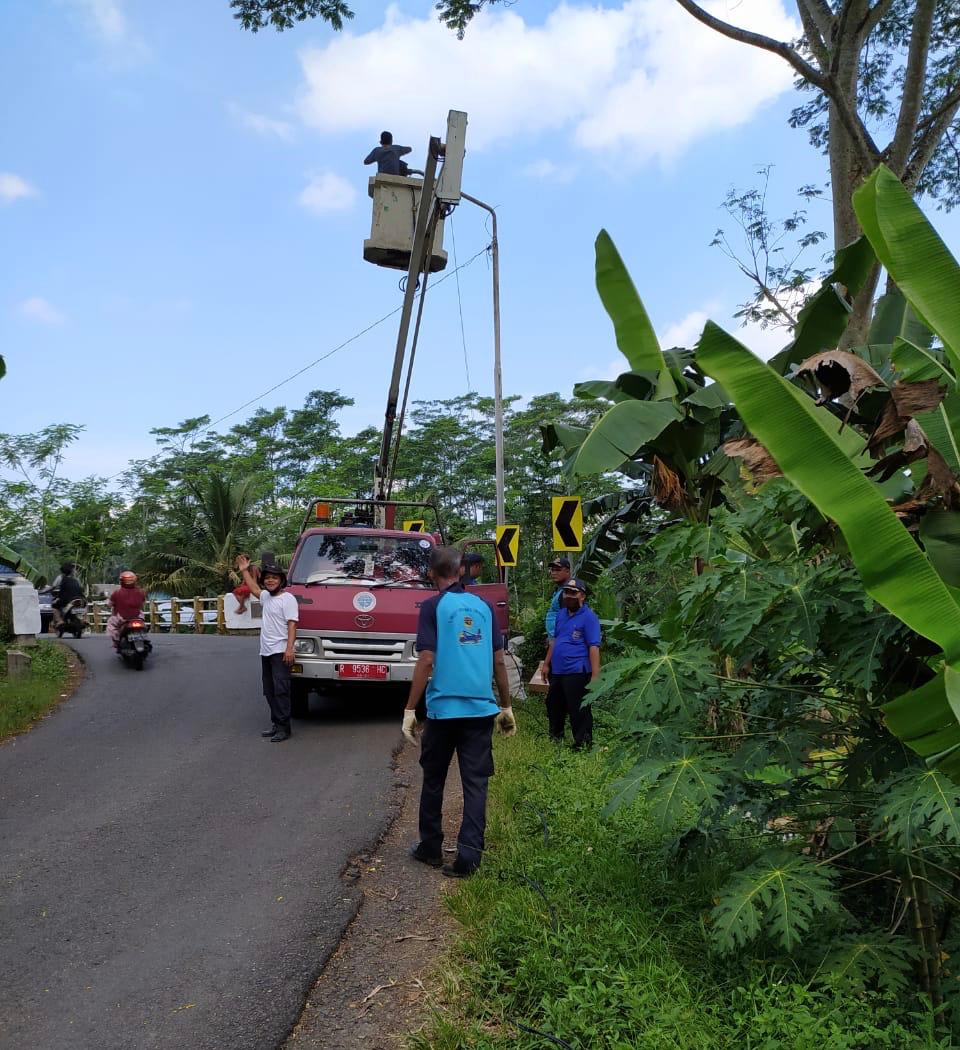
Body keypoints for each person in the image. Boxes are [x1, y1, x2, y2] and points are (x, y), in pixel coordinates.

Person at [403, 546, 516, 878]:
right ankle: (469, 859)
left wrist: (410, 709)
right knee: (476, 784)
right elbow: (498, 661)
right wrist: (505, 706)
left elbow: (425, 660)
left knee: (434, 780)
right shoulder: (483, 607)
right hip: (481, 711)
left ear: (431, 573)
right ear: (462, 571)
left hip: (442, 713)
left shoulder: (432, 607)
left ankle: (431, 849)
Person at [237, 554, 298, 743]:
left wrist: (289, 648)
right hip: (266, 651)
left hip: (281, 651)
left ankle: (284, 727)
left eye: (275, 577)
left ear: (281, 580)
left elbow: (292, 624)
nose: (270, 580)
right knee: (269, 690)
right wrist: (245, 571)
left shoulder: (287, 599)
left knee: (281, 689)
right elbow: (254, 588)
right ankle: (276, 723)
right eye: (267, 578)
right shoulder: (266, 597)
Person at [540, 578, 601, 750]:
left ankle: (583, 742)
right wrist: (546, 664)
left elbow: (594, 646)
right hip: (558, 670)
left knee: (578, 708)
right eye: (566, 592)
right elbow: (555, 640)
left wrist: (595, 676)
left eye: (573, 593)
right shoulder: (561, 615)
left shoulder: (589, 617)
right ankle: (556, 737)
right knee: (553, 704)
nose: (569, 596)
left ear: (582, 596)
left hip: (577, 670)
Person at [107, 570, 146, 648]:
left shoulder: (117, 593)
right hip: (137, 616)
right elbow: (142, 603)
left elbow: (109, 604)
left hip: (121, 618)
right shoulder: (140, 592)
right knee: (143, 620)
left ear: (121, 581)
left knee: (111, 625)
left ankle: (116, 640)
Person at [544, 556, 572, 639]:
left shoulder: (568, 592)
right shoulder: (559, 590)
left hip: (562, 640)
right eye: (552, 570)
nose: (554, 573)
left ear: (567, 571)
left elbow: (569, 620)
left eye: (558, 570)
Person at [51, 563, 84, 630]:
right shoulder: (76, 579)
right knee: (85, 605)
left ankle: (60, 620)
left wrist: (43, 591)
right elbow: (80, 589)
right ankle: (84, 619)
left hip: (66, 600)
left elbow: (53, 587)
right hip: (78, 599)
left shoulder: (61, 577)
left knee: (54, 607)